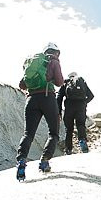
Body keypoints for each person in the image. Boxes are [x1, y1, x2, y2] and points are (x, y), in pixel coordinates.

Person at [16, 43, 64, 180]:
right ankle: (44, 161)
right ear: (56, 52)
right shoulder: (53, 61)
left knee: (28, 134)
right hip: (48, 98)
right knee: (53, 132)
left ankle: (21, 161)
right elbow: (60, 82)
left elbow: (22, 84)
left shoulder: (35, 63)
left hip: (31, 100)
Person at [56, 72, 95, 154]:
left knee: (69, 129)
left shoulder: (65, 83)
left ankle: (68, 149)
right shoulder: (82, 82)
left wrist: (59, 112)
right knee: (81, 125)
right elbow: (91, 96)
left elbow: (59, 98)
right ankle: (82, 141)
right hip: (81, 107)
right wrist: (84, 102)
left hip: (69, 108)